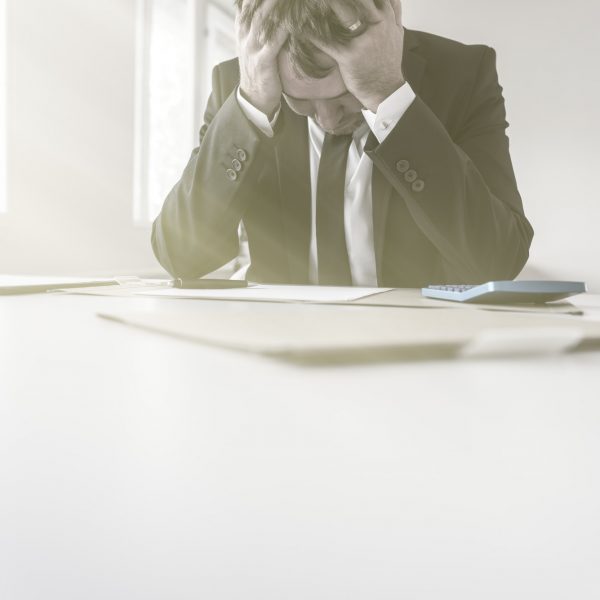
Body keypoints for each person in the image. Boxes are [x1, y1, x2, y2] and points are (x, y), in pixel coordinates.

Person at [152, 0, 534, 287]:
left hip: (419, 357)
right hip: (279, 352)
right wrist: (251, 105)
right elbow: (181, 256)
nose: (328, 120)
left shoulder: (462, 75)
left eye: (344, 94)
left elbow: (497, 261)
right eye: (299, 100)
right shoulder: (241, 86)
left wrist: (388, 96)